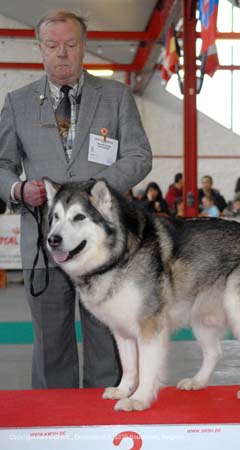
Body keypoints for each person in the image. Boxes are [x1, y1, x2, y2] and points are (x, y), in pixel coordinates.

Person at [0, 10, 152, 390]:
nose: (62, 54)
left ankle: (106, 424)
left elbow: (139, 156)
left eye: (70, 45)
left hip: (103, 246)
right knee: (51, 343)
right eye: (52, 46)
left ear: (84, 46)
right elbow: (1, 166)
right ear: (40, 49)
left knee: (108, 340)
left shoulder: (116, 96)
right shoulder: (17, 103)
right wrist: (18, 190)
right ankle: (55, 429)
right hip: (43, 242)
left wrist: (93, 192)